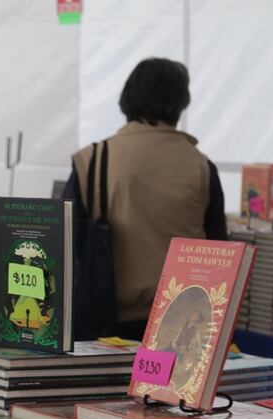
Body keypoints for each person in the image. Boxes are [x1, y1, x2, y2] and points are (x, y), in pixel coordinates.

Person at [63, 58, 227, 339]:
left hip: (105, 323)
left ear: (127, 98)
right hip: (183, 325)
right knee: (165, 385)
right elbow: (220, 252)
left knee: (109, 384)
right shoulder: (201, 166)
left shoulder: (92, 160)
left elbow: (62, 243)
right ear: (181, 103)